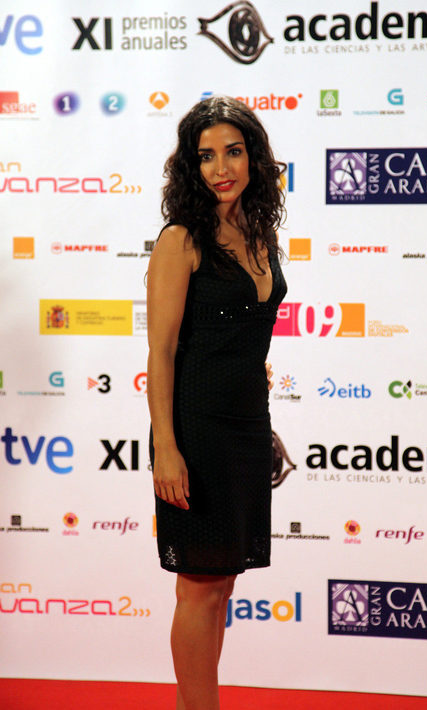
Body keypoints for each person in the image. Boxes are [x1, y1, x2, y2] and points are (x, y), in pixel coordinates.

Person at [146, 96, 287, 710]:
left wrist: (259, 401)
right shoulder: (180, 239)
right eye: (206, 156)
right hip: (196, 430)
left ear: (254, 157)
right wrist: (166, 448)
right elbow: (160, 353)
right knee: (199, 588)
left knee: (221, 584)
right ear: (190, 165)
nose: (221, 168)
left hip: (247, 427)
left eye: (233, 152)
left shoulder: (259, 233)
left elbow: (243, 337)